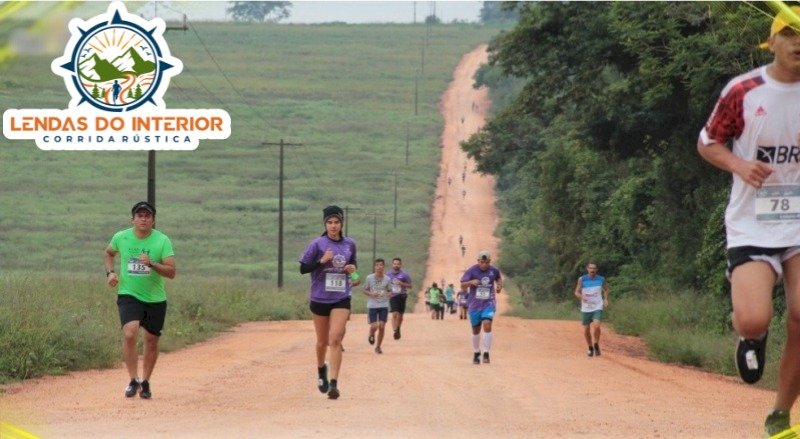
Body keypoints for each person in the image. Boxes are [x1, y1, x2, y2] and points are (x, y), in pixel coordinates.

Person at [696, 7, 800, 436]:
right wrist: (739, 165)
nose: (798, 44)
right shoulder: (744, 89)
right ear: (771, 42)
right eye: (789, 34)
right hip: (753, 222)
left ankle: (781, 412)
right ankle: (750, 336)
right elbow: (707, 142)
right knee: (756, 318)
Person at [103, 201, 176, 399]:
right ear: (133, 219)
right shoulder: (121, 237)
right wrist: (110, 273)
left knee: (151, 340)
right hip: (129, 294)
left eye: (147, 215)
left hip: (155, 298)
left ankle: (145, 382)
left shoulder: (162, 241)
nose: (143, 218)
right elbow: (109, 253)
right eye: (139, 215)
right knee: (129, 333)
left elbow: (171, 272)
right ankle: (133, 379)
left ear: (153, 220)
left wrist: (152, 264)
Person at [299, 205, 357, 400]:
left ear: (342, 224)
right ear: (325, 224)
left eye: (337, 222)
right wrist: (322, 261)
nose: (333, 226)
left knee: (335, 339)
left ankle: (334, 384)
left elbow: (354, 269)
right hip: (319, 297)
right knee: (322, 342)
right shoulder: (317, 244)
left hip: (341, 297)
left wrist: (353, 272)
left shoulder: (350, 244)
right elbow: (303, 268)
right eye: (330, 222)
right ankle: (320, 370)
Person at [460, 250, 502, 364]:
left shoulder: (493, 271)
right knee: (476, 330)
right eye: (482, 262)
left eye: (487, 262)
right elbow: (462, 285)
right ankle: (476, 351)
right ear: (478, 261)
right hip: (475, 304)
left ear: (489, 262)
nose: (484, 265)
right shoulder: (471, 271)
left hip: (489, 303)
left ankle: (486, 352)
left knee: (487, 324)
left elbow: (498, 278)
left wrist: (499, 285)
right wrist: (471, 282)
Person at [573, 262, 609, 357]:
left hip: (597, 305)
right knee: (586, 329)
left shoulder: (601, 279)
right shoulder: (582, 279)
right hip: (586, 307)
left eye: (594, 268)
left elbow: (606, 289)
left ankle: (596, 343)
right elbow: (576, 292)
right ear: (587, 269)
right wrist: (581, 297)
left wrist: (605, 299)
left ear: (596, 270)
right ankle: (590, 347)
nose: (592, 270)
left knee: (597, 326)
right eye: (590, 268)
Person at [363, 258, 392, 354]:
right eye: (377, 265)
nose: (379, 267)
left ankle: (378, 347)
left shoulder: (387, 279)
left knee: (382, 326)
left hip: (383, 304)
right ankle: (371, 333)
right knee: (374, 326)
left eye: (381, 265)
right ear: (375, 267)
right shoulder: (369, 278)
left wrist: (389, 294)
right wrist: (371, 294)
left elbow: (390, 290)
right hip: (372, 305)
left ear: (384, 266)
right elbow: (364, 290)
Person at [386, 257, 413, 340]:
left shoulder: (404, 275)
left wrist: (402, 283)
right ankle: (395, 331)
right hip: (393, 296)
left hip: (402, 296)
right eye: (395, 264)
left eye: (398, 264)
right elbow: (385, 285)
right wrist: (387, 292)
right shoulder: (388, 275)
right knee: (394, 314)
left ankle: (398, 328)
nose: (396, 265)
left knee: (400, 315)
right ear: (392, 264)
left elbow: (410, 286)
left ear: (400, 265)